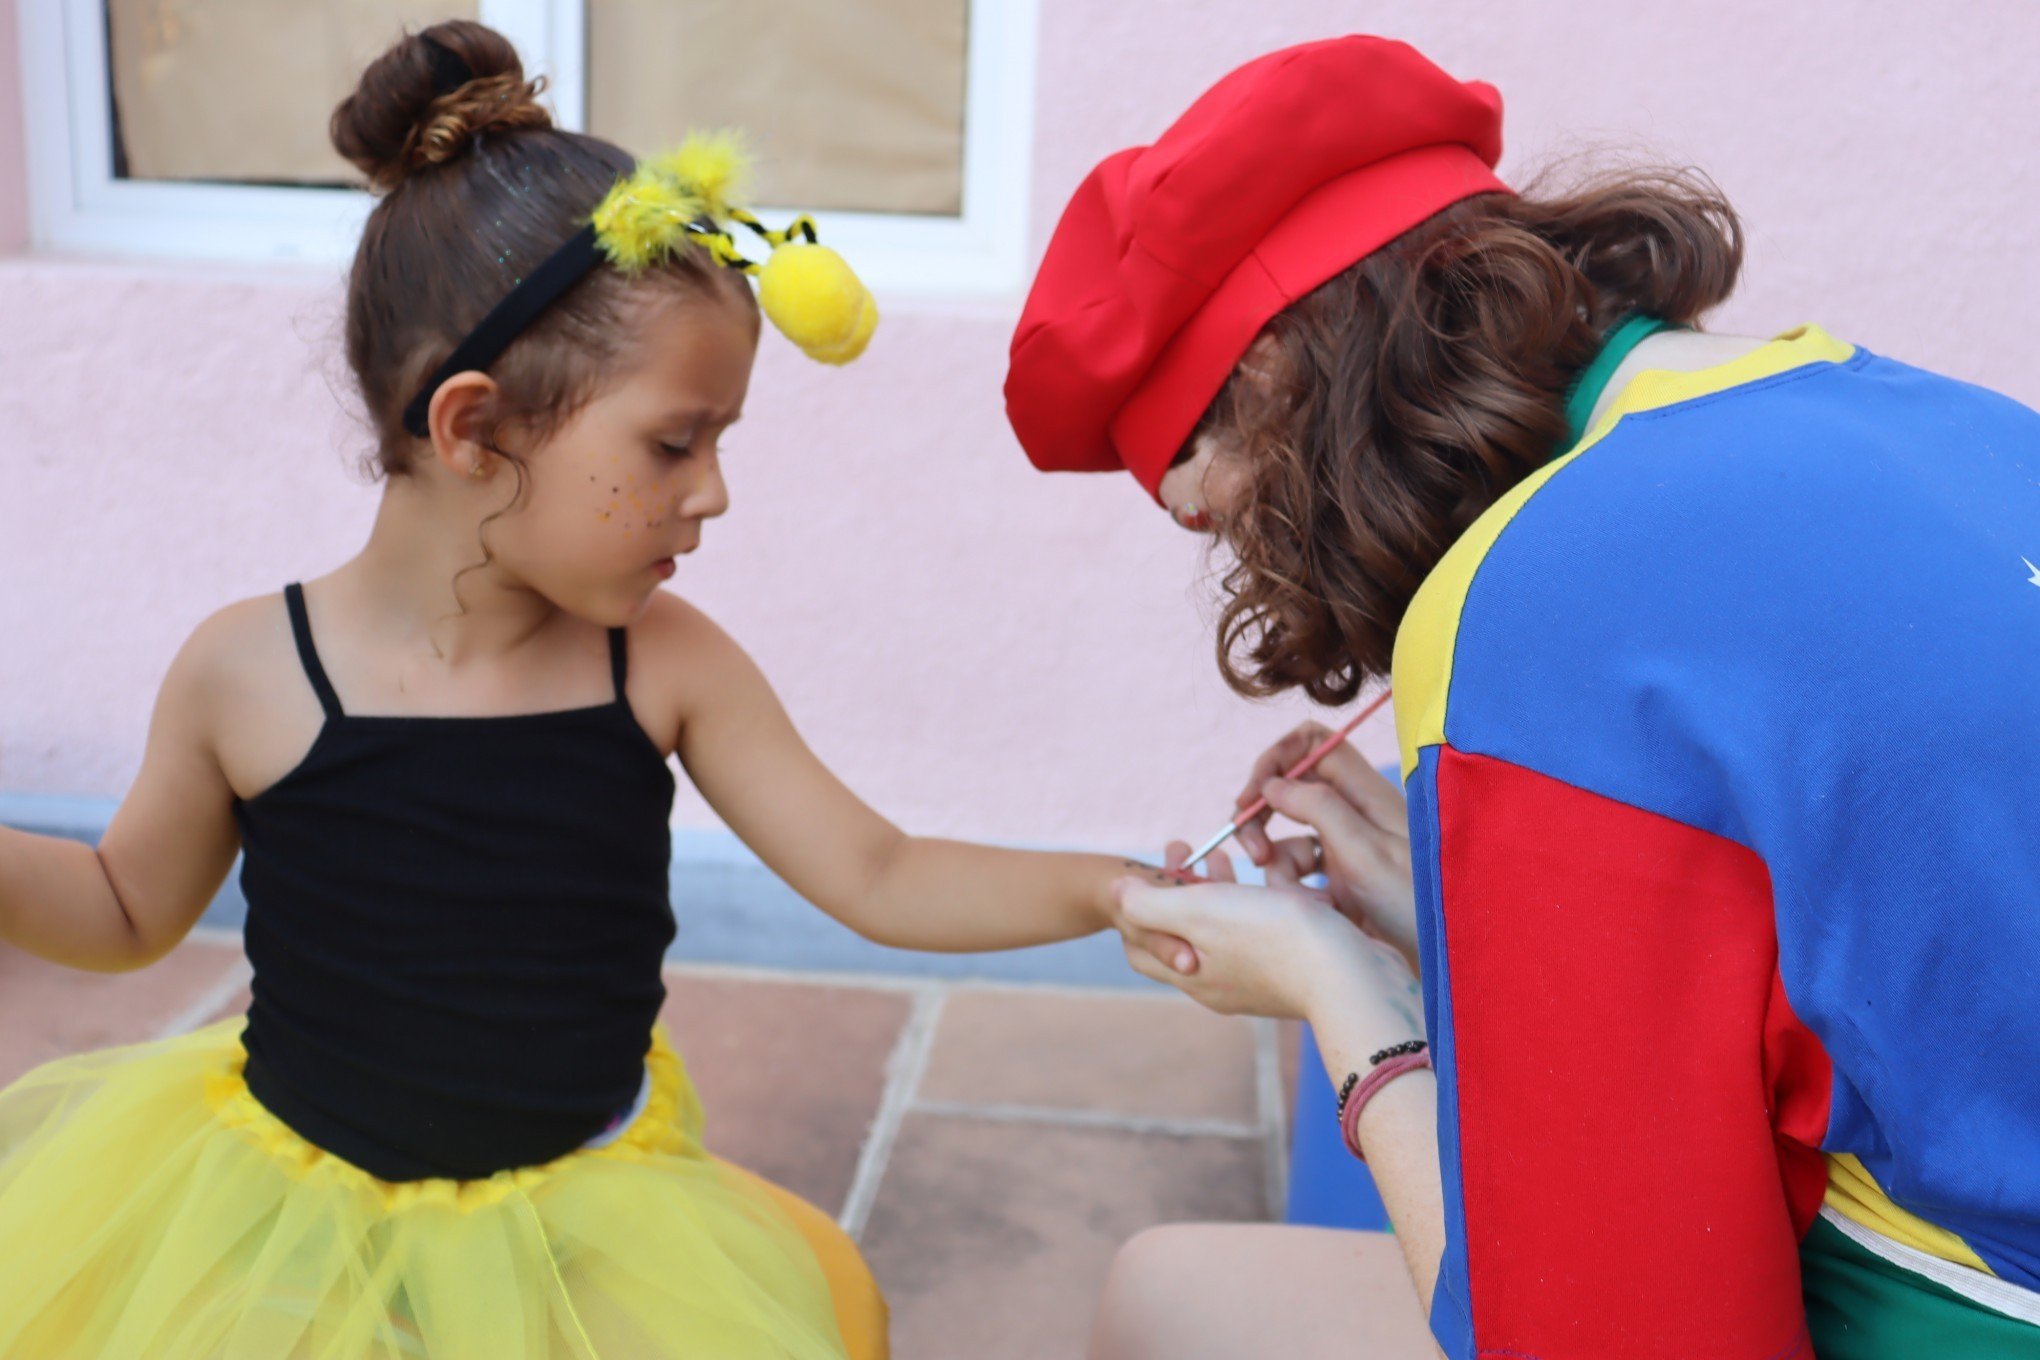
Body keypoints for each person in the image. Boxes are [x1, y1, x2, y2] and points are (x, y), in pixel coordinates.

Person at [0, 21, 1193, 1358]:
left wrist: (1108, 889)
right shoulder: (246, 670)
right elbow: (121, 909)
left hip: (590, 1210)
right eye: (675, 443)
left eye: (718, 442)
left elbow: (879, 868)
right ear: (471, 428)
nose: (715, 491)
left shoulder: (662, 664)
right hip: (299, 1210)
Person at [1004, 33, 2040, 1360]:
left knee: (1166, 1295)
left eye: (1231, 519)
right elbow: (1879, 973)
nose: (1257, 565)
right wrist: (1456, 933)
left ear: (1270, 384)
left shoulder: (1532, 605)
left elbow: (1601, 1331)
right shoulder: (1933, 413)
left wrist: (1342, 998)